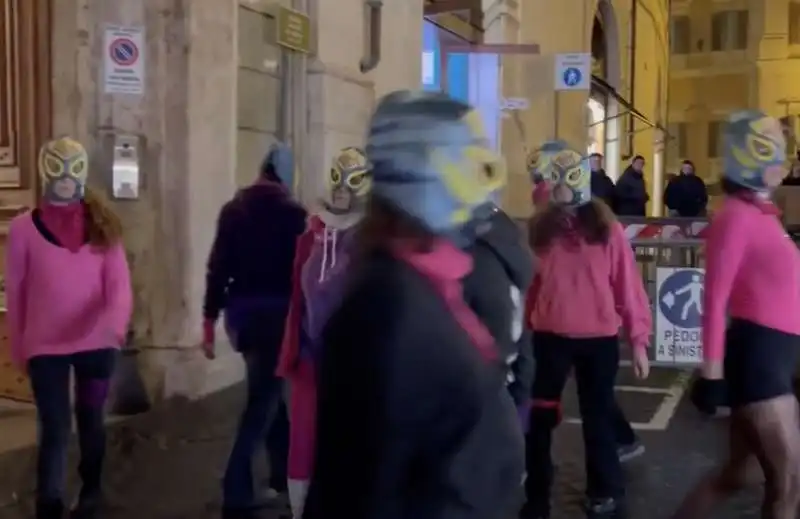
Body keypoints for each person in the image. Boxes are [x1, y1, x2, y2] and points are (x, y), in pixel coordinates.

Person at [302, 90, 525, 519]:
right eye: (467, 167)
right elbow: (360, 491)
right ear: (420, 173)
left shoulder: (429, 279)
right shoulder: (384, 314)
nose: (483, 190)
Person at [671, 111, 800, 519]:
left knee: (739, 475)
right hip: (759, 359)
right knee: (789, 484)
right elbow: (713, 298)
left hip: (775, 356)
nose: (786, 162)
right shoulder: (736, 217)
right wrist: (711, 375)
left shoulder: (762, 215)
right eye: (777, 152)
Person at [5, 137, 132, 519]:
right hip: (45, 348)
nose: (63, 177)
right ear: (45, 170)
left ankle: (91, 490)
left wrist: (113, 327)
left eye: (71, 167)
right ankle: (50, 500)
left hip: (96, 346)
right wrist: (19, 345)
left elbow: (118, 285)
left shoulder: (102, 225)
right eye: (56, 167)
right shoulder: (24, 229)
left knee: (91, 420)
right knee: (55, 426)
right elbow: (17, 290)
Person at [523, 140, 651, 519]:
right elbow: (534, 285)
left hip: (598, 340)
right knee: (540, 420)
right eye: (554, 182)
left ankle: (605, 491)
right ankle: (536, 495)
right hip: (549, 338)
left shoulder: (606, 231)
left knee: (597, 418)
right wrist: (524, 331)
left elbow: (627, 286)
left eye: (564, 182)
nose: (558, 189)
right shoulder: (541, 229)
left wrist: (639, 340)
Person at [201, 143, 306, 519]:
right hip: (278, 319)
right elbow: (302, 276)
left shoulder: (234, 210)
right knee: (262, 402)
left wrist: (209, 320)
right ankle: (237, 488)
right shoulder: (295, 215)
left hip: (242, 318)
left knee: (270, 397)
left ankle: (284, 475)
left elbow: (217, 268)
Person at [275, 146, 370, 518]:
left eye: (352, 182)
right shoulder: (313, 233)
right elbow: (299, 294)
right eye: (339, 181)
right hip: (312, 355)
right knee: (304, 441)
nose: (343, 189)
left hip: (355, 361)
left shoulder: (372, 240)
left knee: (352, 441)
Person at [462, 204, 535, 431]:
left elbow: (499, 321)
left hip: (482, 393)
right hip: (507, 384)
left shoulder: (477, 257)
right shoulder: (502, 242)